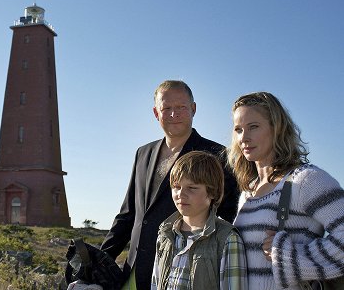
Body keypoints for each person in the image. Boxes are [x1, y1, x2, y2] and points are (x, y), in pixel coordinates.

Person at [101, 80, 240, 290]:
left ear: (193, 109)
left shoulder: (220, 155)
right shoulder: (143, 153)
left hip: (185, 275)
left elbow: (230, 215)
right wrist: (98, 260)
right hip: (133, 273)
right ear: (156, 113)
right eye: (166, 108)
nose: (174, 114)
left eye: (181, 107)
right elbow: (129, 214)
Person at [228, 91, 344, 289]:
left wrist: (291, 256)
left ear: (277, 129)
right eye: (238, 129)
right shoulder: (248, 193)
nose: (244, 137)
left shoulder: (306, 180)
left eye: (253, 127)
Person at [151, 151, 248, 290]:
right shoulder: (165, 234)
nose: (181, 194)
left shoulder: (227, 239)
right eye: (176, 187)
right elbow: (155, 283)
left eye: (192, 188)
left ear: (212, 192)